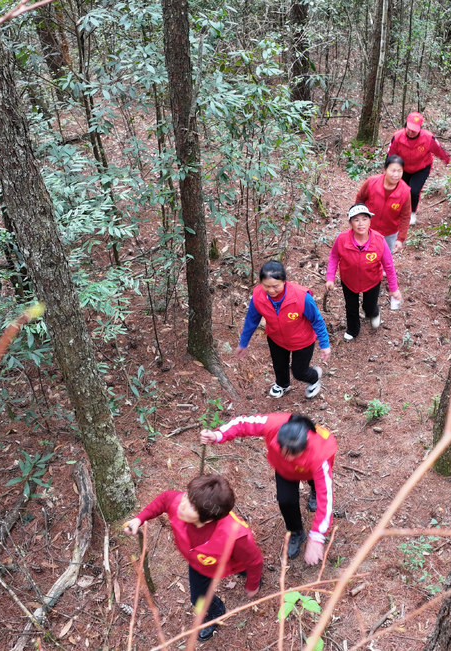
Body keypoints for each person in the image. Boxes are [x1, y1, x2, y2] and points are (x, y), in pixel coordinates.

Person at [123, 475, 263, 642]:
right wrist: (139, 519)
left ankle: (244, 579)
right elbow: (164, 499)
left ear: (208, 519)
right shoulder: (180, 503)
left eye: (190, 506)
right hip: (201, 566)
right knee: (198, 599)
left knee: (245, 568)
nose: (182, 504)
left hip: (232, 561)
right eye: (186, 496)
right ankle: (216, 611)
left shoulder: (236, 537)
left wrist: (253, 585)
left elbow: (254, 561)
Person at [200, 413, 336, 566]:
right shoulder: (274, 424)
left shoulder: (320, 455)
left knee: (316, 483)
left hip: (311, 468)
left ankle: (313, 490)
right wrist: (218, 435)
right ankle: (296, 532)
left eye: (293, 454)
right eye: (284, 451)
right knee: (285, 501)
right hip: (285, 471)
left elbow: (326, 498)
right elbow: (243, 423)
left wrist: (317, 537)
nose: (288, 457)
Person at [237, 261, 331, 398]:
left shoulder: (301, 297)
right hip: (276, 338)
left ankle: (314, 377)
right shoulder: (258, 296)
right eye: (266, 286)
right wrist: (243, 343)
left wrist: (325, 344)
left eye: (276, 286)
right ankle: (282, 384)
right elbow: (251, 320)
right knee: (279, 366)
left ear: (284, 282)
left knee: (299, 372)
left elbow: (317, 320)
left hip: (302, 341)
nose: (271, 290)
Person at [326, 204, 403, 340]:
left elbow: (389, 265)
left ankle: (373, 312)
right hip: (349, 280)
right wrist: (330, 278)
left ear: (370, 221)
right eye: (356, 220)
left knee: (369, 305)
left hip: (372, 281)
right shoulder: (342, 239)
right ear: (350, 222)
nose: (361, 223)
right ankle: (353, 329)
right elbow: (334, 257)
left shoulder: (379, 240)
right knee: (351, 307)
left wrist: (394, 288)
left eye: (364, 219)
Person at [387, 111, 450, 226]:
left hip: (422, 167)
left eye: (414, 130)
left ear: (420, 129)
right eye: (409, 129)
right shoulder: (397, 137)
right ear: (406, 125)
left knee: (414, 191)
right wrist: (389, 168)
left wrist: (446, 159)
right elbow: (391, 153)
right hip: (403, 167)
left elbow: (438, 150)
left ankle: (412, 213)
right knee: (401, 190)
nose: (411, 132)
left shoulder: (428, 138)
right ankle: (399, 211)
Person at [354, 154, 412, 256]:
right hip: (368, 228)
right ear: (385, 169)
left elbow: (405, 216)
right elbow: (360, 199)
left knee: (385, 257)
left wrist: (400, 239)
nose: (396, 175)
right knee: (363, 255)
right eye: (393, 171)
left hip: (389, 233)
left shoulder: (405, 192)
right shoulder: (372, 182)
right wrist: (358, 221)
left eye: (399, 171)